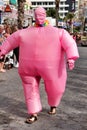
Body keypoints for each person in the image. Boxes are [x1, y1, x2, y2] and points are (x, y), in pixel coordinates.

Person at [0, 7, 79, 124]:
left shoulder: (56, 32)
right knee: (40, 87)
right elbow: (11, 41)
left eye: (40, 15)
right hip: (42, 67)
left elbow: (70, 44)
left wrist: (71, 57)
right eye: (37, 15)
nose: (39, 17)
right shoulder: (56, 33)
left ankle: (50, 105)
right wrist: (2, 51)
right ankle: (35, 112)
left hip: (40, 67)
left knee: (53, 88)